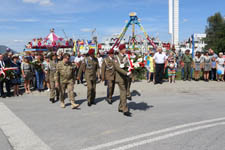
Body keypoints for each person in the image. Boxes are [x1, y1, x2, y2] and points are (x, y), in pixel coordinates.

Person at [114, 44, 132, 117]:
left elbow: (128, 65)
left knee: (123, 93)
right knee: (124, 92)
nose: (125, 50)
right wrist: (126, 73)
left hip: (126, 77)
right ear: (121, 50)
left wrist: (130, 69)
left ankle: (120, 107)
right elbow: (117, 68)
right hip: (120, 77)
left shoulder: (126, 57)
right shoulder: (116, 57)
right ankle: (125, 109)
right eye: (124, 49)